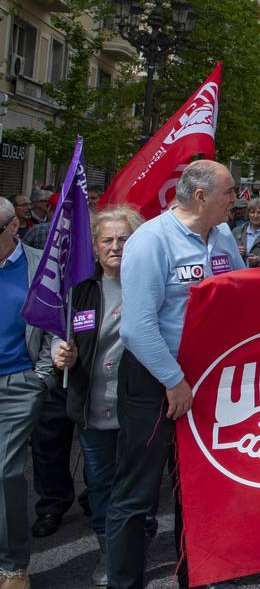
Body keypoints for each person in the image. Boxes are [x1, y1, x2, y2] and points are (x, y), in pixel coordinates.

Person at [106, 160, 244, 589]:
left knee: (198, 486)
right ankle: (124, 582)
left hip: (205, 380)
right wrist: (172, 380)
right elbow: (137, 327)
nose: (235, 200)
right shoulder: (151, 241)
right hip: (156, 380)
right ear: (201, 196)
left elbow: (240, 289)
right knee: (137, 490)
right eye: (229, 191)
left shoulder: (221, 235)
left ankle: (197, 573)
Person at [49, 206, 155, 585]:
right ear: (94, 247)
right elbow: (59, 334)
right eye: (107, 240)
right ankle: (110, 552)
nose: (116, 247)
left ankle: (136, 548)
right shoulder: (79, 288)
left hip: (140, 409)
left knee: (139, 488)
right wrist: (61, 352)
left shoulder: (149, 281)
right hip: (93, 408)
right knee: (101, 487)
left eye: (124, 239)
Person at [0, 198, 55, 589]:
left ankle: (12, 565)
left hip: (18, 381)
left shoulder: (39, 264)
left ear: (13, 227)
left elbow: (56, 319)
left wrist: (41, 376)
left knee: (5, 472)